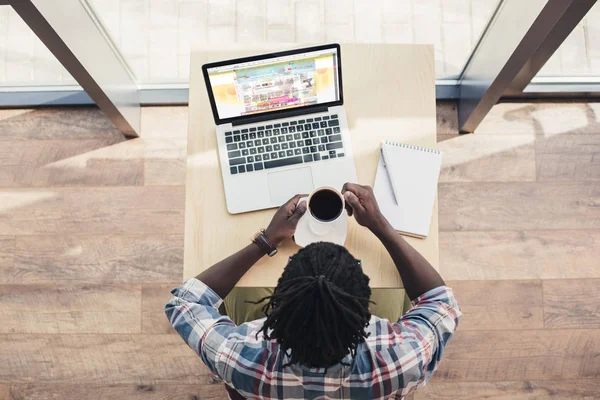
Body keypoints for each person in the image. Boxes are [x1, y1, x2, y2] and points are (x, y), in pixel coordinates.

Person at [166, 183, 461, 400]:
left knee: (236, 297)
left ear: (277, 304)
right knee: (399, 295)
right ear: (364, 313)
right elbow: (440, 302)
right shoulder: (402, 360)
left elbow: (184, 301)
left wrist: (267, 241)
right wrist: (379, 224)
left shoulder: (241, 359)